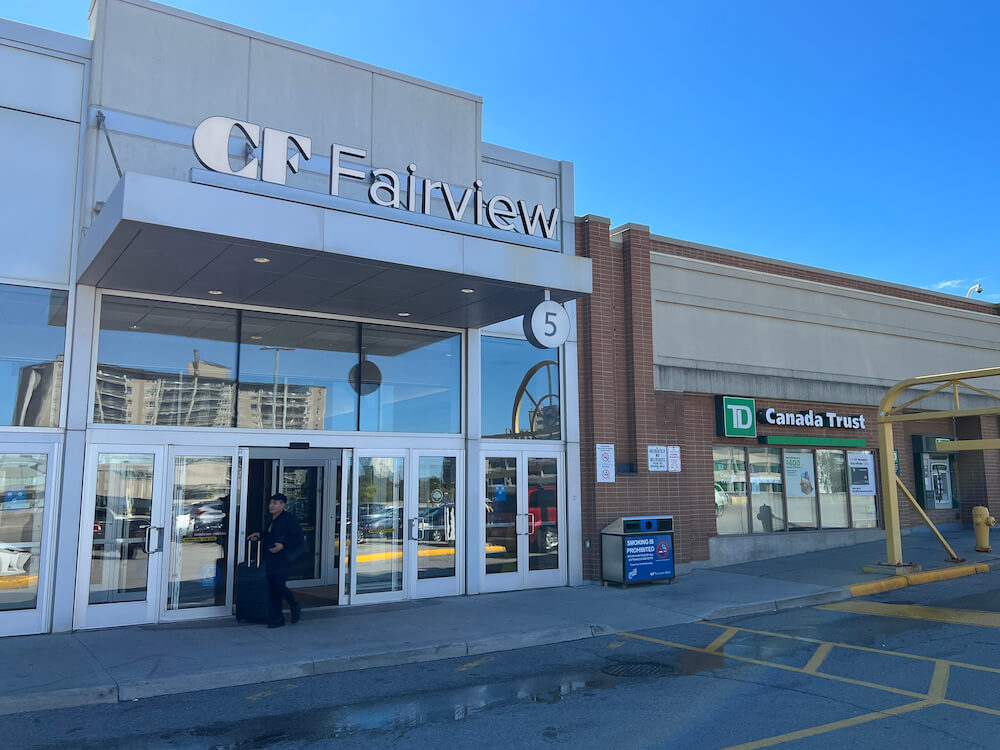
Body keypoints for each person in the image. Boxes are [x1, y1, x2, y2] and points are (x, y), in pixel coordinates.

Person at [248, 493, 305, 628]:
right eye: (271, 503)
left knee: (278, 586)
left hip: (283, 558)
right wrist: (259, 535)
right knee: (272, 587)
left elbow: (298, 537)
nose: (271, 506)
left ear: (283, 505)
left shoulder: (288, 519)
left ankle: (294, 605)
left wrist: (283, 545)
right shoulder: (270, 518)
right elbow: (269, 534)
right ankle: (277, 617)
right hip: (270, 557)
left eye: (275, 503)